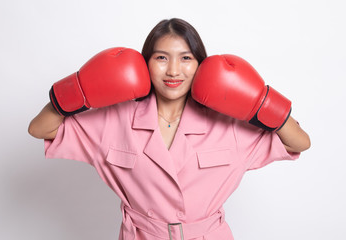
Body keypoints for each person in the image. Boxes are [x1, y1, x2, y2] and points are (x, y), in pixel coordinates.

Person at [28, 18, 310, 240]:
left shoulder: (228, 124)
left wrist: (262, 102)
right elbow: (39, 129)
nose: (174, 71)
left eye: (186, 58)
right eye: (161, 58)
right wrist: (76, 91)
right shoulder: (116, 120)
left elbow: (299, 142)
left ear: (201, 64)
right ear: (144, 63)